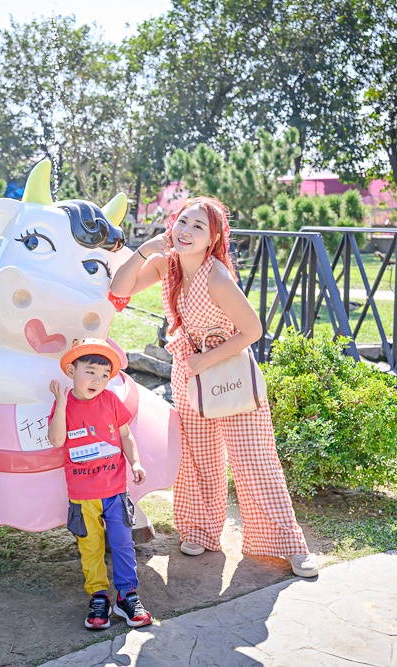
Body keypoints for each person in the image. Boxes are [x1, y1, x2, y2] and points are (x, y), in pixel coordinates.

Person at [110, 197, 318, 578]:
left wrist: (206, 360)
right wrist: (143, 250)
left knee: (254, 460)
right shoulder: (166, 265)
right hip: (188, 375)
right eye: (182, 222)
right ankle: (201, 532)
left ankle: (288, 544)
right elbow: (118, 291)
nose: (186, 232)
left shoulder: (216, 276)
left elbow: (253, 331)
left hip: (229, 375)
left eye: (198, 227)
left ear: (214, 238)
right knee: (197, 458)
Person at [48, 338, 154, 630]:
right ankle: (98, 596)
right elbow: (56, 440)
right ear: (72, 370)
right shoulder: (64, 405)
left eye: (105, 375)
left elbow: (125, 436)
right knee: (91, 547)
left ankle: (127, 596)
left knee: (122, 544)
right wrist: (59, 403)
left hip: (116, 490)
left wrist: (135, 462)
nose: (98, 380)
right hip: (83, 495)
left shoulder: (110, 401)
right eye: (91, 372)